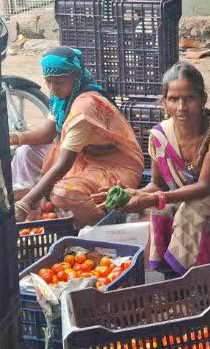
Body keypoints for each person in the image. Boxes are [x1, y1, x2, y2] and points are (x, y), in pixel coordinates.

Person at [93, 63, 210, 281]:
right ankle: (170, 276)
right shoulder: (160, 136)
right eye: (173, 99)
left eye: (189, 98)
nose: (181, 107)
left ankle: (200, 281)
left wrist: (153, 198)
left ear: (203, 100)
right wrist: (134, 193)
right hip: (194, 190)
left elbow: (204, 186)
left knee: (193, 210)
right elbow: (157, 185)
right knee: (161, 210)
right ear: (164, 102)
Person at [12, 47, 142, 227]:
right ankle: (38, 205)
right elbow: (49, 132)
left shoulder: (85, 106)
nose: (53, 88)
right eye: (48, 82)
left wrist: (23, 204)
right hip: (83, 157)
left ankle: (101, 226)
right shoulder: (63, 97)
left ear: (76, 76)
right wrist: (14, 137)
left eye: (59, 82)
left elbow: (63, 165)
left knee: (63, 193)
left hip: (115, 165)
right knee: (25, 151)